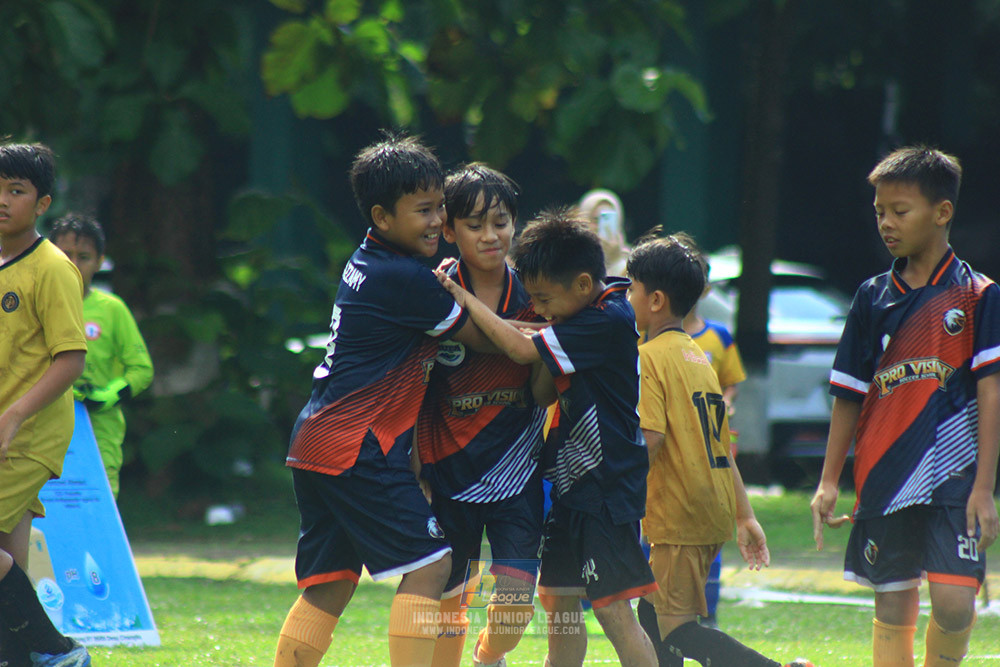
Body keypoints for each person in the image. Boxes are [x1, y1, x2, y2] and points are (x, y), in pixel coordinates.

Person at [273, 132, 493, 667]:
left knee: (330, 584)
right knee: (432, 566)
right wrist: (550, 338)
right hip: (357, 447)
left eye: (440, 207)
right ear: (382, 217)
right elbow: (487, 341)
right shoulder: (405, 278)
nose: (438, 221)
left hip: (315, 442)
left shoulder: (368, 259)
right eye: (424, 210)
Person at [435, 209, 659, 667]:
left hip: (608, 490)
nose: (537, 308)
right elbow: (538, 348)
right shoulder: (587, 312)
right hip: (572, 488)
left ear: (582, 283)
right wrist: (524, 326)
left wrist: (461, 295)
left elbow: (523, 347)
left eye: (543, 298)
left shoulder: (607, 318)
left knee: (613, 611)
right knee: (559, 604)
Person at [811, 146, 1000, 667]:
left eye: (899, 211)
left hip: (954, 480)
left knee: (955, 607)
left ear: (942, 212)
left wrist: (984, 487)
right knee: (893, 606)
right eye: (879, 212)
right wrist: (829, 480)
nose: (886, 224)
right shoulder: (871, 298)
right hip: (885, 474)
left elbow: (991, 391)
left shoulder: (978, 296)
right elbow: (848, 393)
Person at [626, 234, 810, 667]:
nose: (626, 297)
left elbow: (651, 438)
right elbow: (721, 447)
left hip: (678, 514)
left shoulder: (649, 357)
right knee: (651, 615)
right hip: (709, 509)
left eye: (630, 288)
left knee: (676, 629)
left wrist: (613, 488)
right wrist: (744, 515)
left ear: (655, 300)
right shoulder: (699, 358)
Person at [414, 164, 550, 667]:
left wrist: (544, 350)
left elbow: (543, 390)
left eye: (501, 222)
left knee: (514, 610)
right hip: (447, 474)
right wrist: (416, 472)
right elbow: (413, 389)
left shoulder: (537, 294)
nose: (490, 235)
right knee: (447, 605)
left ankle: (489, 656)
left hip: (518, 476)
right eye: (475, 225)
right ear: (449, 231)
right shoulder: (431, 291)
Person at [0, 142, 91, 667]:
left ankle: (53, 649)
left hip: (28, 432)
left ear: (42, 204)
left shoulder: (53, 268)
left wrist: (14, 415)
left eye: (16, 191)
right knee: (9, 558)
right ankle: (29, 658)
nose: (2, 200)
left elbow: (70, 359)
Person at [48, 213, 154, 500]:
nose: (73, 263)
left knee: (98, 500)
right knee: (42, 505)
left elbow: (141, 369)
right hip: (42, 424)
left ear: (99, 262)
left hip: (99, 427)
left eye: (84, 257)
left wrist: (108, 395)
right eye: (64, 254)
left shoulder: (112, 309)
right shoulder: (31, 303)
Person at [678, 232, 747, 628]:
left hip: (713, 446)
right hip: (671, 448)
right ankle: (663, 612)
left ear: (705, 288)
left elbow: (731, 382)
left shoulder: (718, 336)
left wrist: (727, 400)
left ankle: (709, 613)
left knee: (713, 524)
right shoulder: (650, 337)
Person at [577, 188, 630, 276]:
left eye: (608, 220)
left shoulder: (631, 258)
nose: (600, 226)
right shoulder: (573, 257)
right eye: (596, 219)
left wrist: (616, 260)